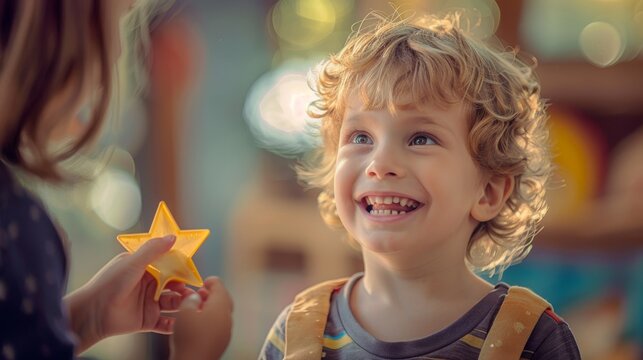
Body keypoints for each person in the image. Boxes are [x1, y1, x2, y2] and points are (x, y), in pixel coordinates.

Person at [259, 13, 581, 359]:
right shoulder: (298, 332)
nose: (380, 165)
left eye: (420, 138)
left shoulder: (532, 339)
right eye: (361, 137)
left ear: (488, 192)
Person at [0, 1, 232, 359]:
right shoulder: (16, 231)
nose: (122, 49)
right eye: (120, 20)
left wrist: (86, 318)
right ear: (60, 32)